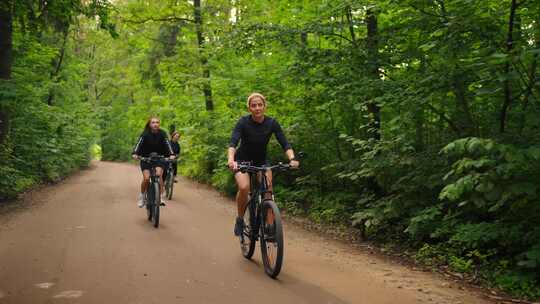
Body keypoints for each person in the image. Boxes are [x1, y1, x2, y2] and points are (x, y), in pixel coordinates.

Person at [227, 93, 299, 236]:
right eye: (254, 105)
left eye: (260, 105)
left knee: (267, 190)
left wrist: (292, 159)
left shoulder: (272, 123)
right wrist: (231, 160)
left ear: (264, 106)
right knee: (244, 187)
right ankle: (240, 219)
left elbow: (285, 143)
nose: (257, 108)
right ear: (249, 108)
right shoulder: (243, 122)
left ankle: (270, 226)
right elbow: (233, 143)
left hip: (261, 161)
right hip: (242, 160)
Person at [132, 117, 176, 208]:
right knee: (147, 178)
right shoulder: (145, 134)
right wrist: (135, 153)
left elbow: (168, 144)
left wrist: (171, 154)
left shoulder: (162, 133)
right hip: (146, 159)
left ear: (159, 124)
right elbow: (138, 144)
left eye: (157, 122)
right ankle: (142, 196)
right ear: (149, 124)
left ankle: (159, 197)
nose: (155, 124)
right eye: (153, 122)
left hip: (159, 159)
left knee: (159, 174)